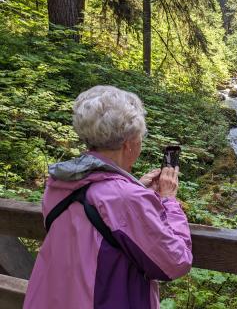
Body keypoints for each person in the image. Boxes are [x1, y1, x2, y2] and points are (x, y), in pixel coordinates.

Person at [23, 85, 192, 309]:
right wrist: (168, 199)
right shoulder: (125, 199)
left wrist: (137, 189)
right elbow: (176, 261)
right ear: (128, 144)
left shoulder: (60, 183)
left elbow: (88, 229)